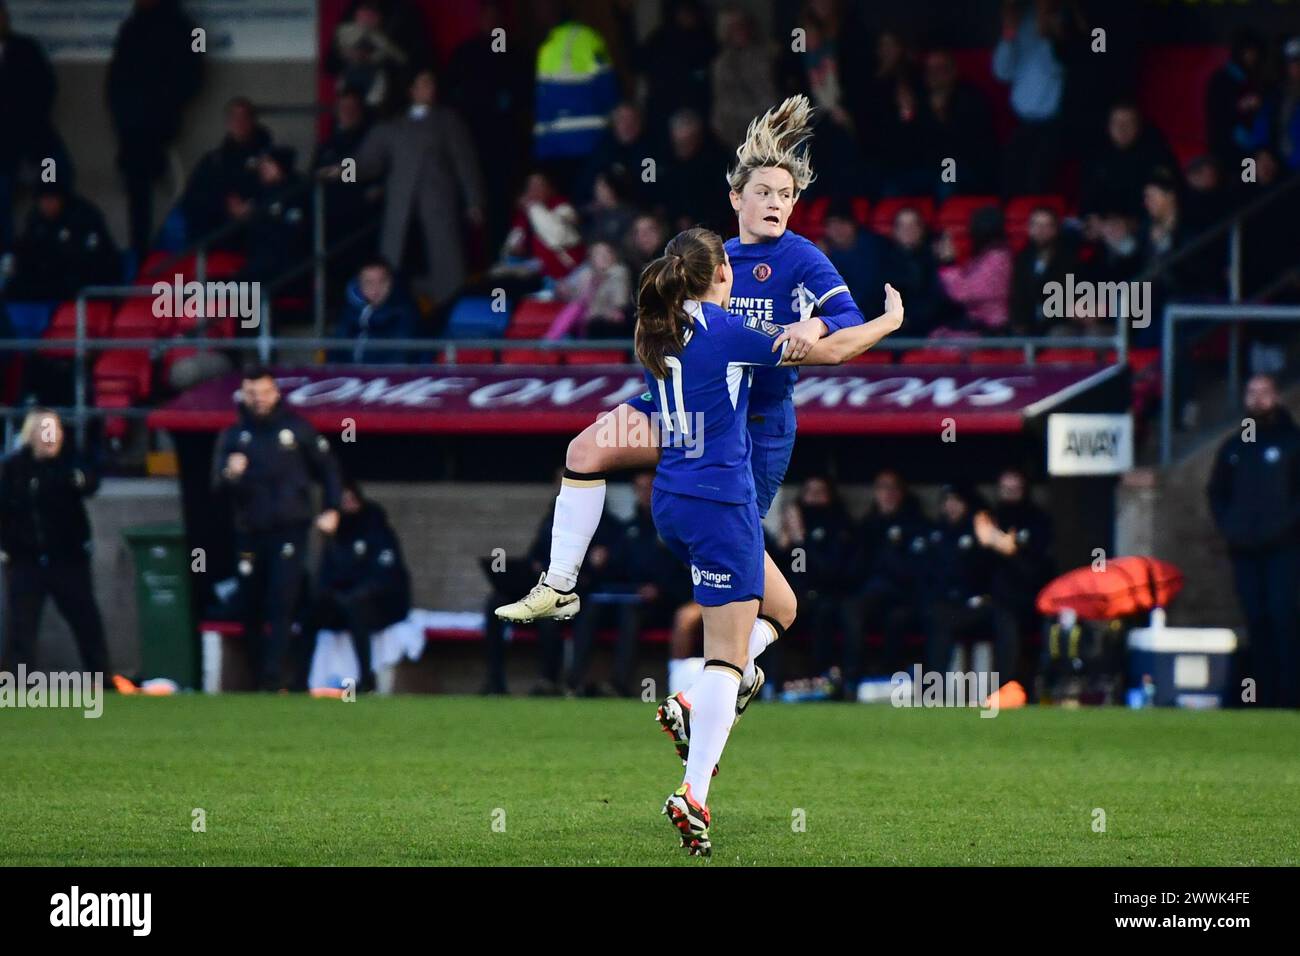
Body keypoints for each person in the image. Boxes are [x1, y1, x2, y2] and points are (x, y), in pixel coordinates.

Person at [495, 96, 869, 625]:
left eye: (786, 195)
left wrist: (813, 325)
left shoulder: (802, 257)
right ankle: (559, 585)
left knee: (743, 573)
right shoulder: (715, 260)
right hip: (680, 412)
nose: (775, 204)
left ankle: (737, 668)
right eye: (763, 192)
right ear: (736, 197)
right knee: (584, 450)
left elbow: (848, 321)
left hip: (753, 429)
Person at [632, 226, 904, 854]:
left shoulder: (657, 329)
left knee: (782, 608)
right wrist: (886, 321)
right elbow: (834, 355)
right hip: (721, 502)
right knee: (729, 659)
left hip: (672, 499)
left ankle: (693, 702)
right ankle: (693, 791)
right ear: (721, 274)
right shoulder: (727, 333)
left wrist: (794, 332)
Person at [211, 367, 343, 691]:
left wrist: (332, 508)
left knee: (281, 601)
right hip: (249, 533)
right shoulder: (232, 436)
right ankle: (258, 676)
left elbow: (329, 468)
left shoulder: (296, 430)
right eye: (252, 394)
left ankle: (275, 679)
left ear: (276, 393)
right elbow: (215, 488)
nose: (258, 400)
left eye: (264, 392)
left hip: (289, 530)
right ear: (243, 395)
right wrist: (230, 474)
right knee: (250, 604)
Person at [350, 69, 484, 310]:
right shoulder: (394, 125)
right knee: (395, 265)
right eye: (423, 84)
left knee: (446, 267)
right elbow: (368, 162)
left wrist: (474, 200)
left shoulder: (448, 120)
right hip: (401, 211)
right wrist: (341, 170)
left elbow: (465, 162)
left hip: (439, 205)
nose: (430, 89)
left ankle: (448, 314)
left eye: (432, 83)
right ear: (411, 90)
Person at [1207, 374, 1300, 708]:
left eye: (1264, 392)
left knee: (1283, 616)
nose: (1258, 399)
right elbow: (1217, 492)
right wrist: (1230, 528)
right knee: (1255, 618)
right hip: (1245, 550)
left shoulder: (1292, 442)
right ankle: (1261, 697)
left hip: (1285, 550)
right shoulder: (1235, 447)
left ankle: (1290, 698)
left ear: (1276, 395)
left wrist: (1283, 528)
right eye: (1252, 392)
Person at [0, 409, 111, 678]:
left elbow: (90, 481)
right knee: (22, 628)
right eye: (44, 430)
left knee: (86, 621)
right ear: (31, 435)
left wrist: (81, 479)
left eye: (55, 430)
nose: (51, 437)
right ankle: (19, 685)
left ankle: (104, 679)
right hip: (26, 560)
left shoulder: (70, 463)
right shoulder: (14, 469)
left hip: (68, 558)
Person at [107, 0, 203, 256]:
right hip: (131, 126)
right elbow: (116, 75)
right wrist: (121, 113)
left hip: (162, 123)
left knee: (176, 188)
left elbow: (197, 64)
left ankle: (170, 249)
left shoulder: (187, 27)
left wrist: (170, 103)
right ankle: (141, 252)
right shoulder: (130, 27)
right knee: (138, 194)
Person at [306, 479, 410, 693]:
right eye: (342, 501)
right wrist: (329, 538)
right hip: (343, 602)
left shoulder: (377, 530)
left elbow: (384, 578)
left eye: (352, 500)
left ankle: (366, 680)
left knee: (356, 610)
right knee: (310, 613)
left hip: (380, 605)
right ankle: (299, 680)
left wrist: (353, 596)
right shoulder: (336, 537)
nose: (348, 505)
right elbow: (327, 577)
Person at [9, 181, 121, 301]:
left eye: (51, 199)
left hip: (87, 280)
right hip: (53, 280)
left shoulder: (84, 216)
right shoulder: (36, 219)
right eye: (43, 200)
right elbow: (28, 249)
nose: (46, 205)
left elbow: (94, 258)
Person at [178, 97, 272, 241]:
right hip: (217, 238)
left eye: (244, 117)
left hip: (256, 237)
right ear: (227, 123)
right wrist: (225, 205)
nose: (239, 122)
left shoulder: (270, 159)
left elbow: (278, 191)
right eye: (234, 117)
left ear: (253, 121)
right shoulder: (214, 160)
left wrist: (251, 207)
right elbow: (191, 198)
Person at [334, 256, 420, 363]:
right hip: (349, 377)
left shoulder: (404, 314)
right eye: (369, 283)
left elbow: (400, 356)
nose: (376, 288)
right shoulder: (349, 313)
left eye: (382, 282)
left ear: (391, 283)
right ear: (360, 285)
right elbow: (335, 350)